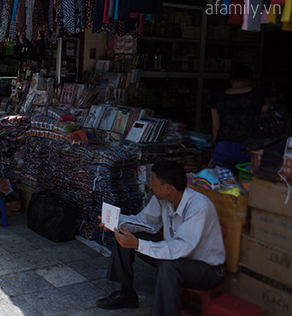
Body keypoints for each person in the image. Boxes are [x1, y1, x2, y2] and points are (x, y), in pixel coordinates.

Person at [96, 160, 226, 316]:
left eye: (153, 182)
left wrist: (138, 244)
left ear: (168, 188)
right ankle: (125, 293)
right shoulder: (163, 198)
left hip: (206, 268)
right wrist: (117, 222)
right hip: (174, 254)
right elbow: (144, 221)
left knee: (169, 266)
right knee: (124, 233)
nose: (150, 185)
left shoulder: (199, 207)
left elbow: (181, 248)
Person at [210, 62, 269, 173]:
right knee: (246, 183)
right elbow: (267, 122)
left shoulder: (218, 98)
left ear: (231, 80)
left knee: (222, 183)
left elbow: (215, 127)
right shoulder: (257, 96)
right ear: (249, 78)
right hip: (248, 147)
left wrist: (216, 148)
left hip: (224, 146)